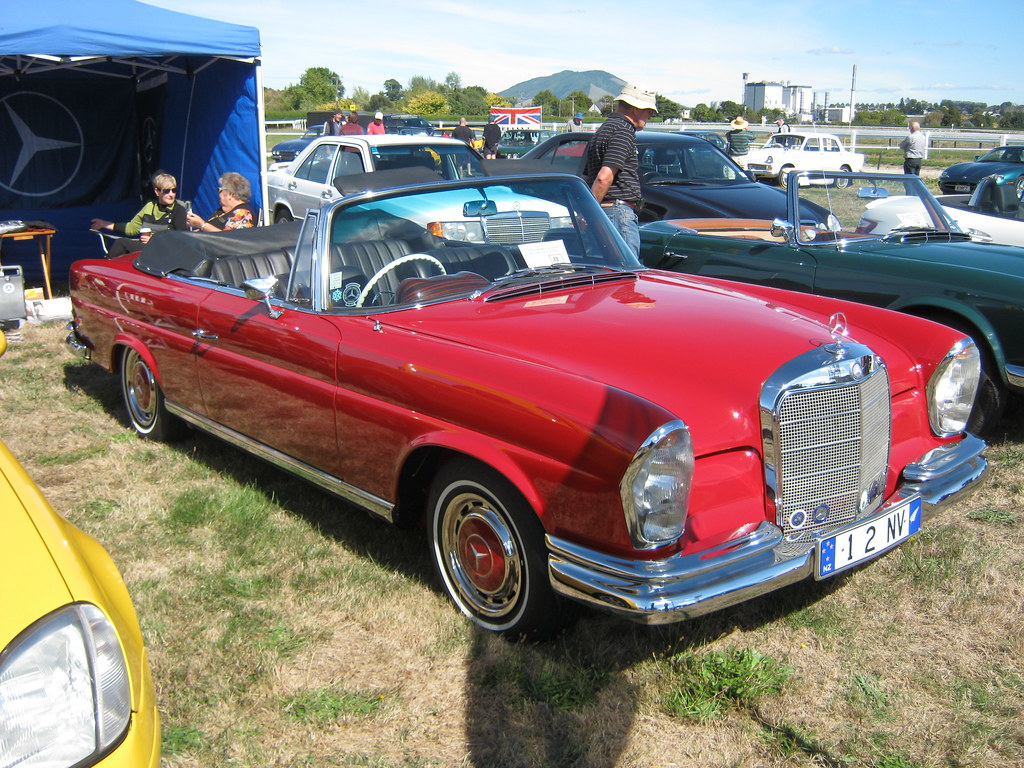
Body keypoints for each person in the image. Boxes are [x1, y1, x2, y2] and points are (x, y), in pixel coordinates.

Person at [582, 83, 657, 257]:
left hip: (605, 213)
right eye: (649, 111)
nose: (650, 116)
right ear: (636, 109)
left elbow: (586, 176)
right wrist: (590, 211)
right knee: (626, 274)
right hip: (617, 213)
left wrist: (587, 212)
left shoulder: (604, 129)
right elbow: (603, 178)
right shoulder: (623, 131)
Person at [91, 171, 188, 257]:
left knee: (121, 243)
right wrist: (104, 224)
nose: (171, 194)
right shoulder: (150, 207)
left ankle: (106, 268)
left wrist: (154, 240)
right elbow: (132, 228)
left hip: (164, 252)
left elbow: (182, 239)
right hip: (145, 249)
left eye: (174, 190)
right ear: (157, 191)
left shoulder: (178, 211)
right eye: (167, 191)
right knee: (122, 248)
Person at [186, 172, 256, 231]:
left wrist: (202, 224)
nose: (218, 194)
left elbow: (228, 239)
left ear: (230, 194)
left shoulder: (243, 213)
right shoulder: (220, 212)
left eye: (220, 190)